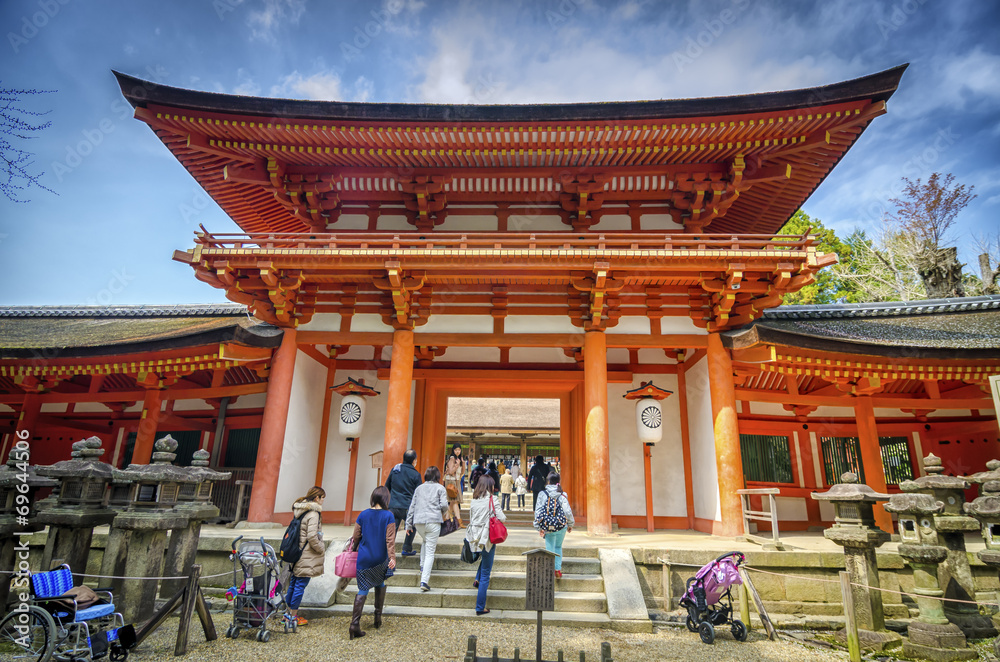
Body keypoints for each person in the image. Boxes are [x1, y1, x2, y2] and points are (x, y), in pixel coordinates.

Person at [349, 486, 397, 640]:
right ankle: (377, 617)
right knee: (380, 583)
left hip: (364, 557)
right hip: (380, 557)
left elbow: (356, 536)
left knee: (362, 589)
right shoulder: (389, 516)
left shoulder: (363, 515)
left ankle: (354, 624)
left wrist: (354, 548)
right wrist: (392, 558)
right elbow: (390, 540)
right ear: (385, 499)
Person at [284, 486, 325, 626]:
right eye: (322, 497)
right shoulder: (313, 513)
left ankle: (287, 615)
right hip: (306, 554)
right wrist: (321, 549)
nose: (323, 501)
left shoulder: (300, 511)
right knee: (300, 585)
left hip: (296, 552)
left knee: (294, 583)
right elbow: (312, 536)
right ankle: (293, 617)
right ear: (316, 498)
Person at [465, 476, 506, 615]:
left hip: (474, 537)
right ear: (490, 486)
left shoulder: (474, 500)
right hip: (487, 537)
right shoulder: (492, 499)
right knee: (486, 573)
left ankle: (477, 579)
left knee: (484, 560)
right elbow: (502, 517)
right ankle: (480, 607)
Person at [406, 466, 450, 591]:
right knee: (430, 551)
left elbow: (412, 507)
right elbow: (444, 505)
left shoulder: (419, 488)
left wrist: (408, 524)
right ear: (437, 476)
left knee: (425, 541)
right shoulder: (440, 488)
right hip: (433, 521)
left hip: (418, 522)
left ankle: (422, 566)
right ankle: (424, 581)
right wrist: (442, 511)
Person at [533, 473, 574, 578]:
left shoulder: (542, 494)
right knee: (558, 546)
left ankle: (550, 570)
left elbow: (538, 511)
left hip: (547, 525)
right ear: (558, 482)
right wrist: (570, 524)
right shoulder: (563, 494)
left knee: (550, 547)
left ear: (548, 482)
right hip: (561, 525)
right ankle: (557, 569)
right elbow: (567, 511)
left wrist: (539, 527)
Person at [385, 449, 421, 557]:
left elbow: (387, 486)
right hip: (407, 507)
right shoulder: (416, 474)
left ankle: (388, 554)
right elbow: (419, 493)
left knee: (392, 530)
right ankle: (406, 548)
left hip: (393, 505)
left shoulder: (395, 470)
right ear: (414, 460)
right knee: (412, 526)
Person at [444, 443, 466, 527]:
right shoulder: (452, 458)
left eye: (459, 450)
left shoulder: (459, 459)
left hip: (456, 481)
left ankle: (446, 519)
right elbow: (450, 471)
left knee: (452, 502)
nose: (458, 451)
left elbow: (463, 472)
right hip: (451, 482)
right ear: (453, 450)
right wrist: (457, 465)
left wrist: (462, 463)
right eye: (456, 450)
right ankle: (459, 521)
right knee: (455, 501)